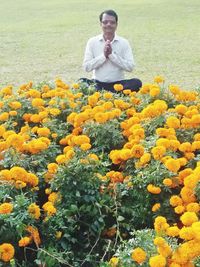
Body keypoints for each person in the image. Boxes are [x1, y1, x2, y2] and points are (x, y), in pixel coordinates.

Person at [82, 9, 142, 93]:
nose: (108, 25)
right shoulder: (92, 42)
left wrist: (111, 56)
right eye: (105, 22)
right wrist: (104, 56)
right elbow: (86, 67)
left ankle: (104, 95)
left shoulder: (124, 42)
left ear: (116, 25)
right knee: (81, 82)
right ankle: (112, 95)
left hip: (118, 85)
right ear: (100, 24)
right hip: (97, 83)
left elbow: (130, 67)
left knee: (136, 83)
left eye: (112, 22)